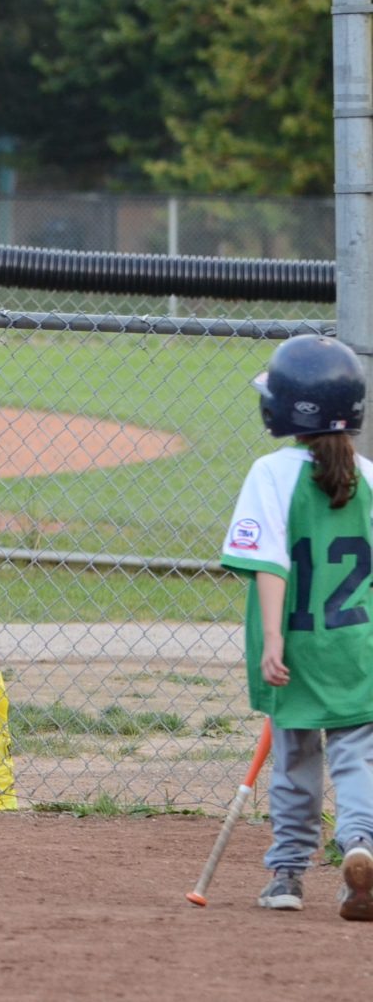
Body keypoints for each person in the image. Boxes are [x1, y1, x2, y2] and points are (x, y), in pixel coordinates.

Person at [224, 335, 373, 918]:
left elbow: (269, 563)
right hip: (356, 647)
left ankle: (287, 874)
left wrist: (276, 640)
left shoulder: (271, 473)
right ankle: (360, 844)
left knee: (296, 758)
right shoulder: (367, 475)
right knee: (357, 756)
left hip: (296, 650)